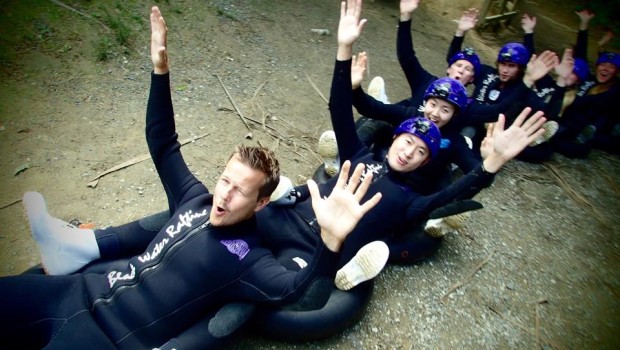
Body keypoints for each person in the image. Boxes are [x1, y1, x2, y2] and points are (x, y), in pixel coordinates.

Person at [0, 6, 383, 349]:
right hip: (72, 293)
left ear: (261, 202)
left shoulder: (249, 260)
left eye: (240, 192)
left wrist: (331, 242)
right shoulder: (194, 199)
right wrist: (160, 70)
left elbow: (301, 294)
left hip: (107, 337)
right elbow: (163, 143)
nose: (225, 196)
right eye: (225, 182)